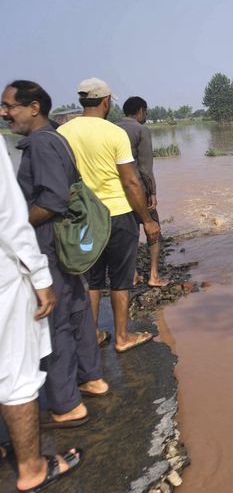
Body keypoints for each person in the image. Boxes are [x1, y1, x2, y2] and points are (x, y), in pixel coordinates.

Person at [3, 80, 108, 429]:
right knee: (77, 310)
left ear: (34, 107)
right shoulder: (54, 139)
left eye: (9, 106)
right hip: (65, 243)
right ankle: (92, 377)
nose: (4, 113)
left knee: (55, 322)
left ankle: (65, 403)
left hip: (48, 245)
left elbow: (52, 201)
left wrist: (14, 222)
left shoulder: (41, 146)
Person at [0, 132, 84, 492]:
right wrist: (39, 273)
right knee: (17, 371)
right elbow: (10, 217)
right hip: (7, 274)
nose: (5, 114)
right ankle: (32, 468)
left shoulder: (42, 143)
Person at [57, 78, 160, 353]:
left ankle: (93, 336)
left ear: (82, 101)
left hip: (83, 217)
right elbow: (131, 182)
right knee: (120, 279)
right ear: (106, 101)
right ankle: (123, 337)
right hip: (118, 213)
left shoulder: (63, 132)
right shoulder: (114, 133)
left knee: (91, 279)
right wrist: (148, 221)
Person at [116, 96, 166, 287]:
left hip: (118, 191)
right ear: (140, 111)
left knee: (129, 233)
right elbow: (145, 166)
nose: (146, 115)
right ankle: (153, 275)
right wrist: (152, 192)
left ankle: (132, 274)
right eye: (146, 112)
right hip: (139, 189)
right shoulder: (141, 130)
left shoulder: (112, 129)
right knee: (153, 228)